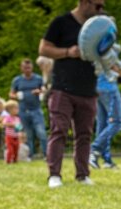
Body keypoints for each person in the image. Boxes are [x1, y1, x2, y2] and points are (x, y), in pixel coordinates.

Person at [38, 0, 103, 188]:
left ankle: (82, 175)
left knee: (84, 135)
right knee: (58, 131)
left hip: (89, 89)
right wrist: (67, 52)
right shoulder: (61, 22)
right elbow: (43, 49)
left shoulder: (99, 25)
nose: (100, 10)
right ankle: (54, 175)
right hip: (62, 89)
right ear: (84, 2)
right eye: (97, 6)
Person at [10, 58, 47, 159]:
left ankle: (46, 155)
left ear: (32, 68)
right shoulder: (17, 80)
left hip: (36, 110)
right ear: (21, 68)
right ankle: (29, 156)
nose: (27, 70)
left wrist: (39, 92)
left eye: (29, 68)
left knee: (41, 132)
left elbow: (44, 89)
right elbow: (11, 94)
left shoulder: (38, 79)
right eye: (25, 68)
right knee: (28, 134)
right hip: (23, 111)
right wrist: (17, 95)